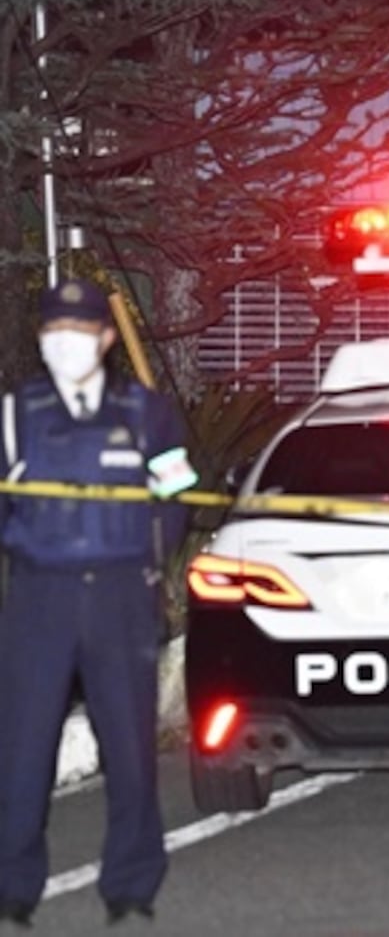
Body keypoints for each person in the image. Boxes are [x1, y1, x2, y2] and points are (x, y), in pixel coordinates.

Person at [0, 278, 197, 926]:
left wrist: (147, 568)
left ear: (106, 339)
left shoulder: (148, 412)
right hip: (41, 598)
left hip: (120, 597)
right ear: (40, 337)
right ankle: (12, 884)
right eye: (56, 330)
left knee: (131, 748)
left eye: (81, 330)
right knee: (22, 748)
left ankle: (132, 883)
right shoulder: (13, 414)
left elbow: (179, 494)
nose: (68, 342)